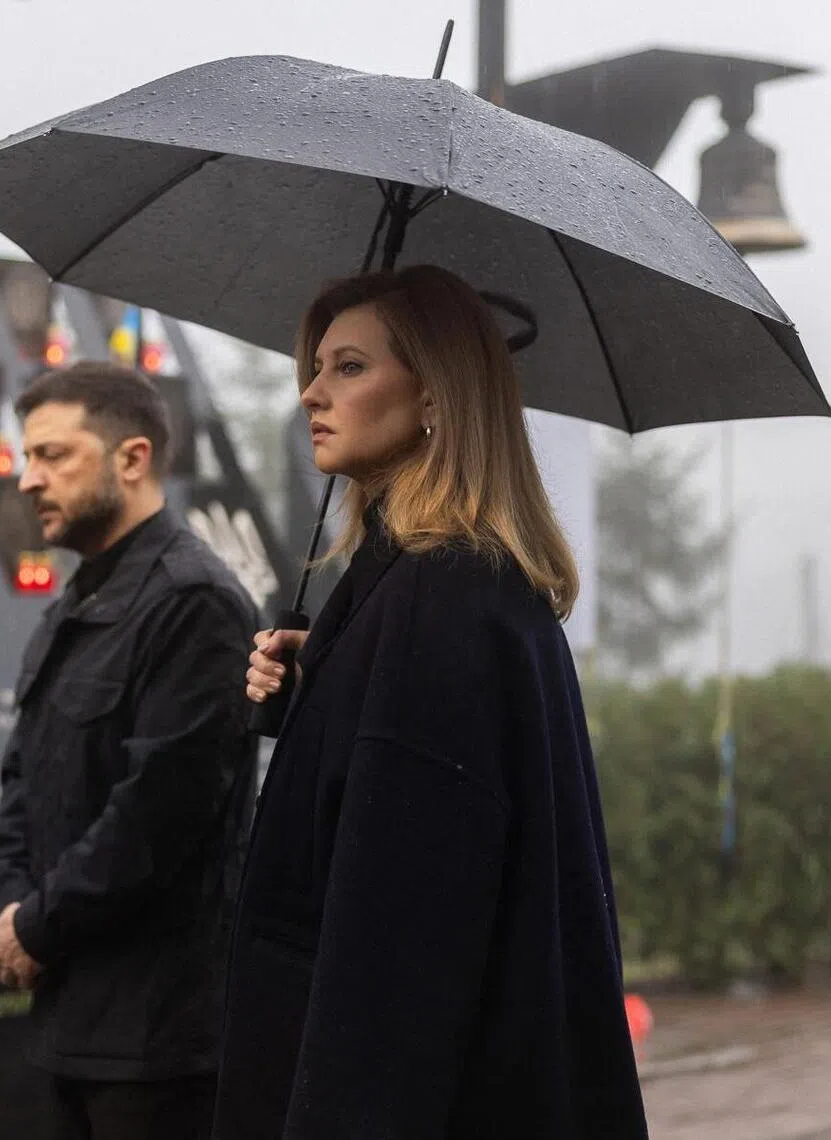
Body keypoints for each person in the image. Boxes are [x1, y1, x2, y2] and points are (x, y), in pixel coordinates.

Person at [213, 266, 649, 1139]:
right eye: (317, 367)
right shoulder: (453, 587)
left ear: (436, 400)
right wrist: (326, 681)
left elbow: (400, 941)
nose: (309, 393)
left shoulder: (436, 600)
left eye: (348, 367)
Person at [0, 362, 258, 1140]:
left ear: (132, 458)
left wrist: (36, 928)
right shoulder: (73, 608)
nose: (30, 479)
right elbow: (21, 784)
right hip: (68, 1016)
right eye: (27, 457)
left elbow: (156, 815)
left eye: (54, 456)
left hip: (159, 1042)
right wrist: (11, 909)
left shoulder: (193, 603)